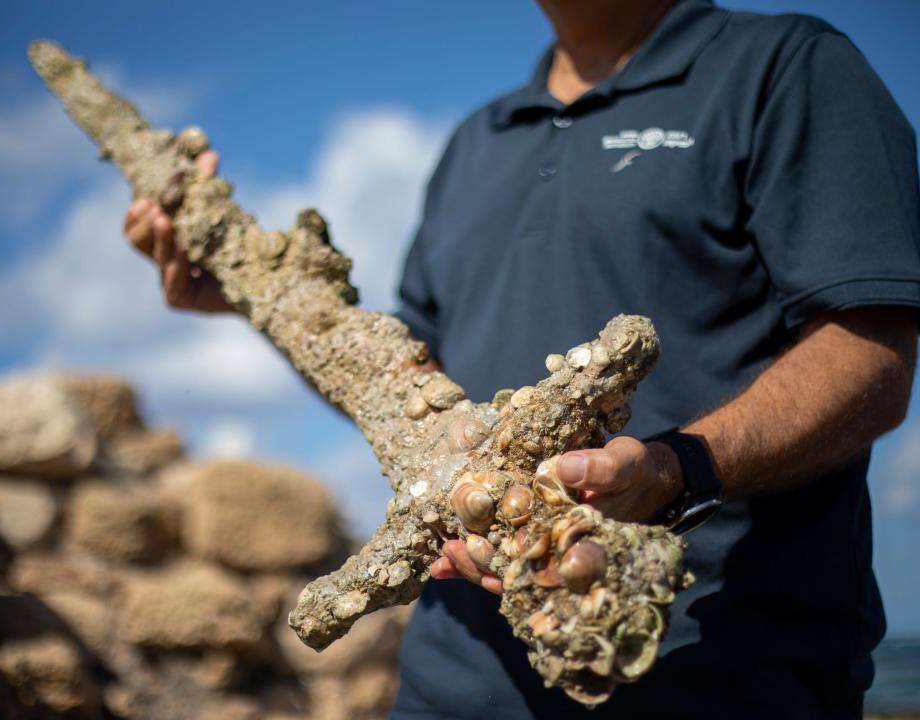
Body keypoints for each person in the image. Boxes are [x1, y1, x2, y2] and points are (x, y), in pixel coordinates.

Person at [124, 1, 920, 717]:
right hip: (447, 686)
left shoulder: (785, 67)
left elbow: (874, 353)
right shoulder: (477, 140)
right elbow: (402, 398)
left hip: (726, 676)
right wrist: (255, 305)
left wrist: (678, 469)